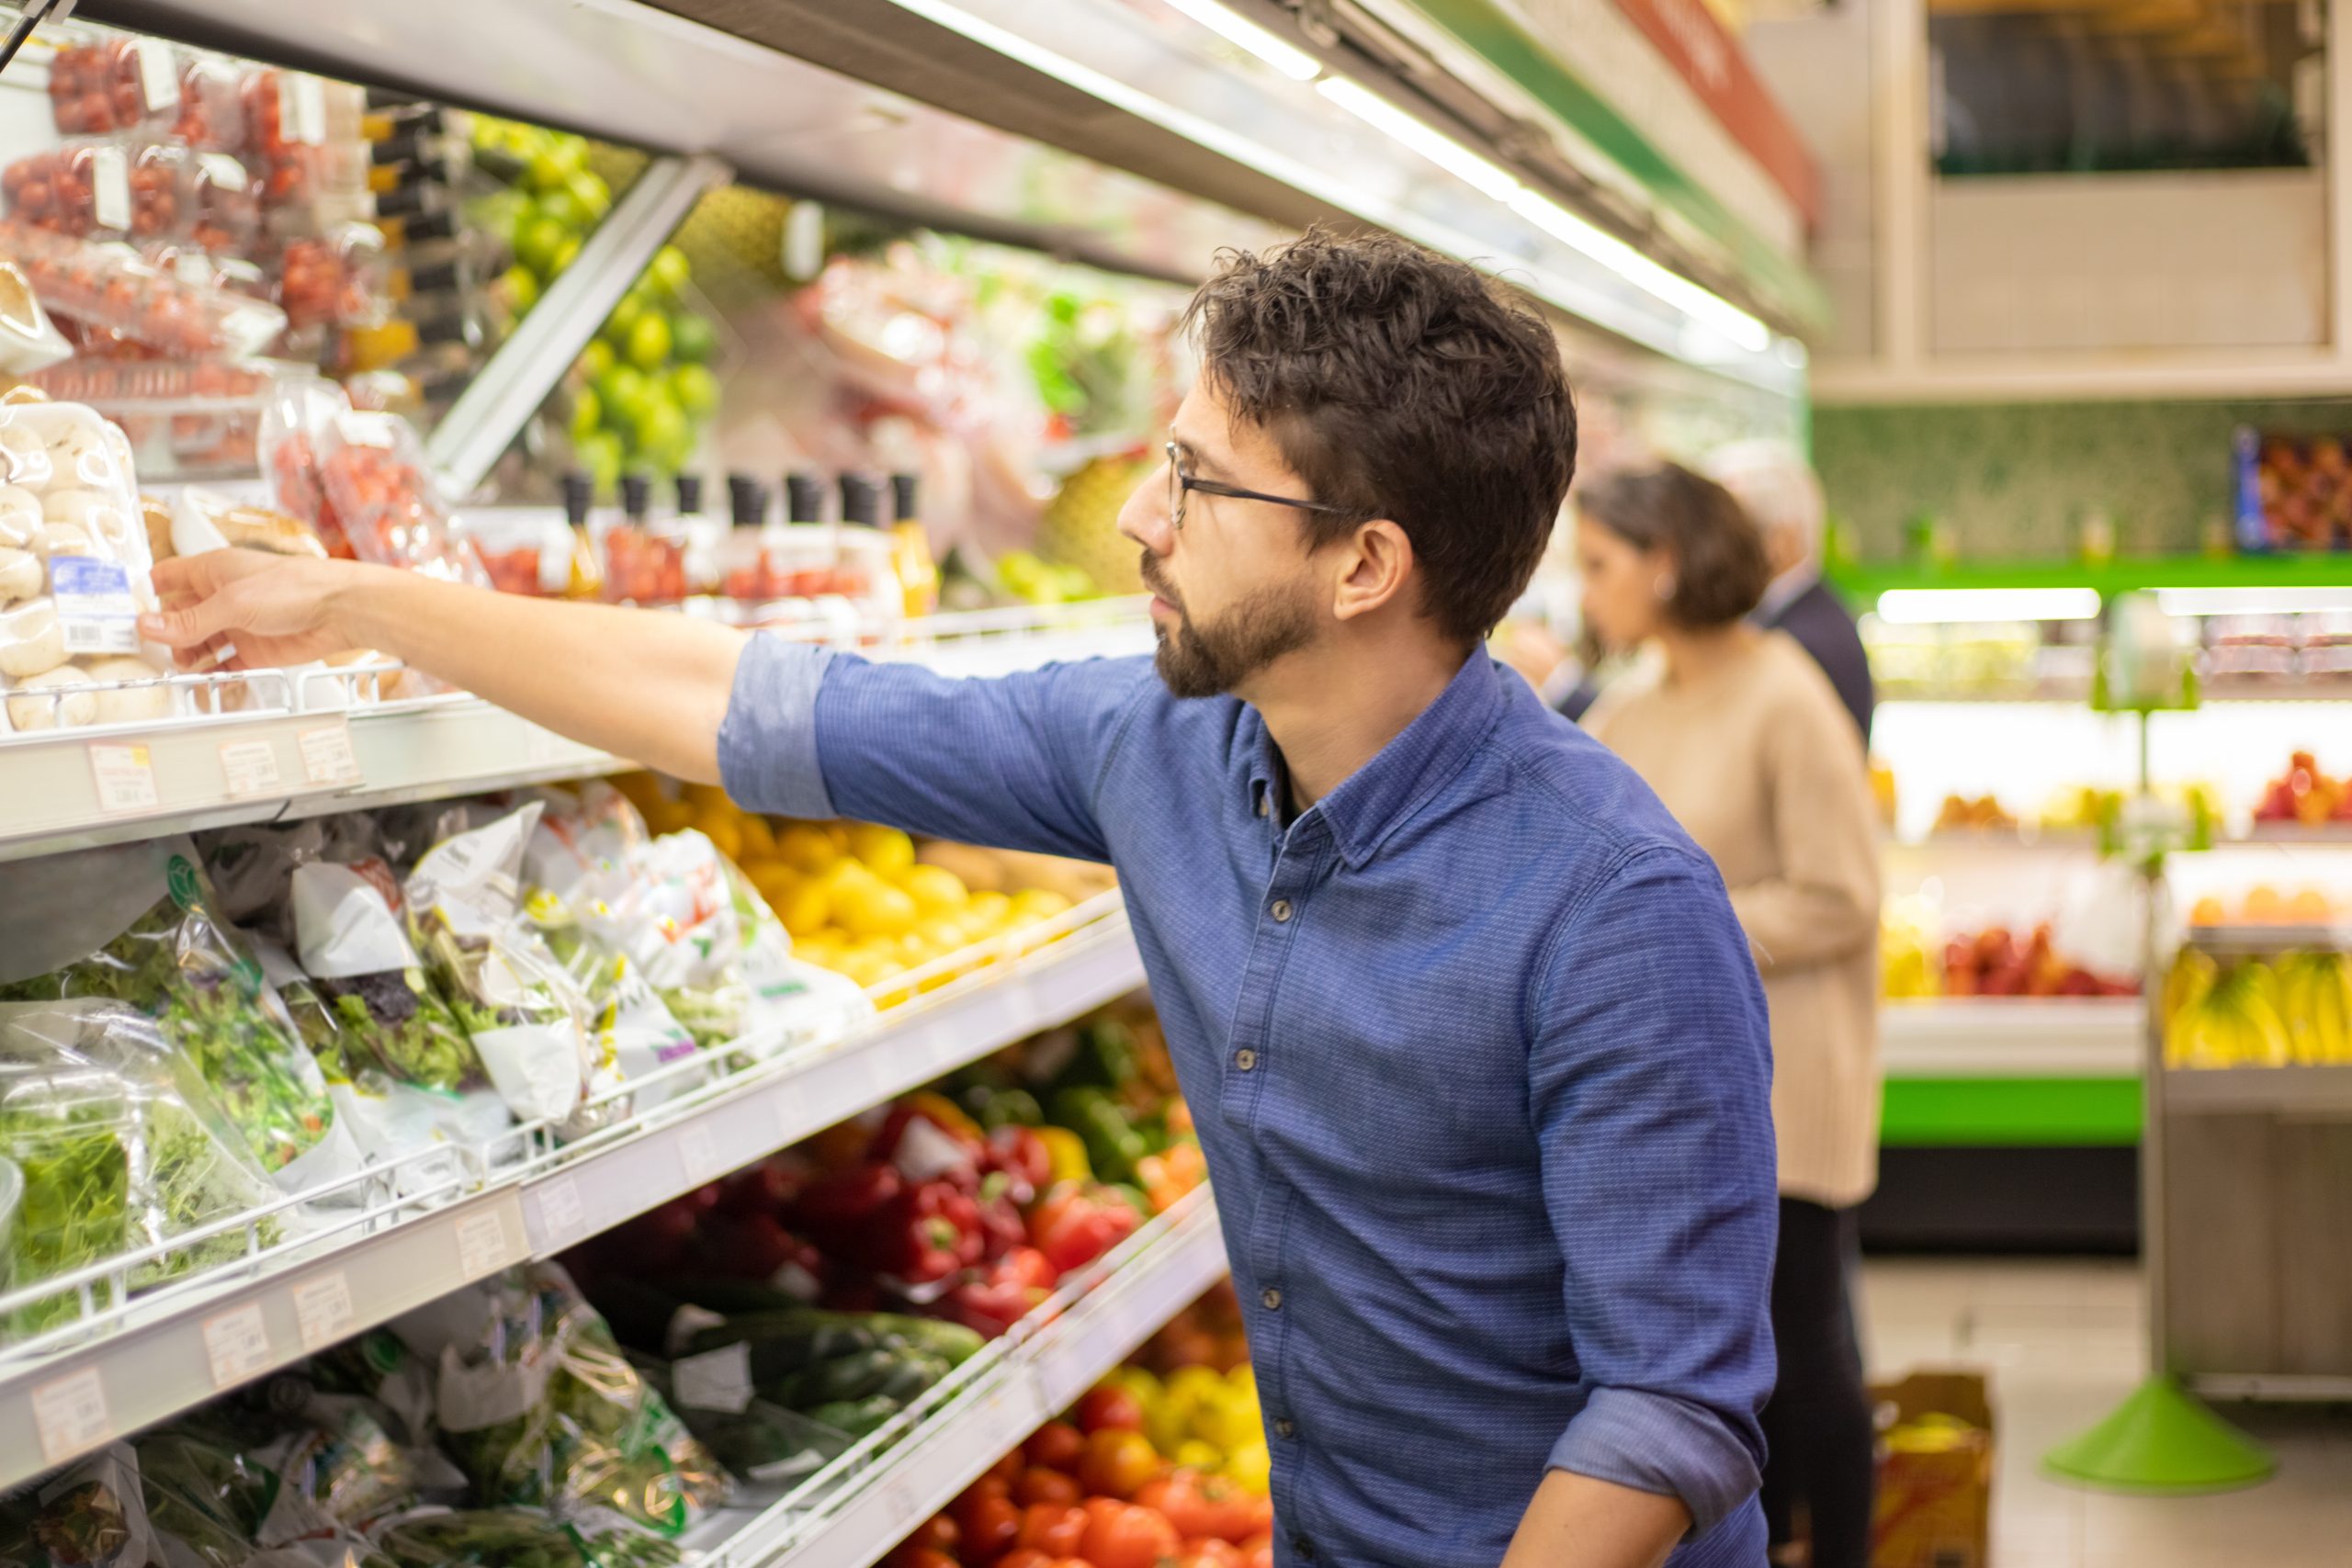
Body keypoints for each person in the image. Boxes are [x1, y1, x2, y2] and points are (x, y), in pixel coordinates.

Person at [142, 231, 1779, 1568]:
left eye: (1199, 486)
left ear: (1364, 568)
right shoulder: (1164, 746)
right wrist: (357, 599)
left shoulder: (1615, 904)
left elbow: (1670, 1410)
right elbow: (746, 699)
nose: (1140, 518)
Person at [1573, 462, 1883, 1568]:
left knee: (1807, 1349)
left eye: (1599, 565)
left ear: (1664, 566)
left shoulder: (1784, 696)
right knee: (1737, 1360)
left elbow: (1843, 897)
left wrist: (1676, 929)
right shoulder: (1634, 704)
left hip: (1787, 1080)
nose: (1584, 590)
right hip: (1686, 1083)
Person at [1702, 439, 1874, 742]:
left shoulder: (1805, 642)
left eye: (1730, 534)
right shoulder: (1799, 621)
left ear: (1783, 539)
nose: (1712, 553)